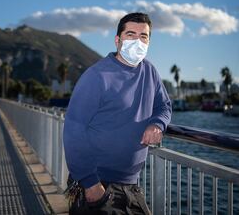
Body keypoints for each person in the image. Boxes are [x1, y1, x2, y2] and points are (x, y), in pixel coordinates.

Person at [63, 12, 172, 215]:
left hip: (130, 184)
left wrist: (157, 123)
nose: (137, 41)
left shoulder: (150, 72)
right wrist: (90, 183)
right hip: (97, 182)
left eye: (143, 36)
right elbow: (73, 131)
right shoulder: (97, 76)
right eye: (130, 34)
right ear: (117, 40)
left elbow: (164, 105)